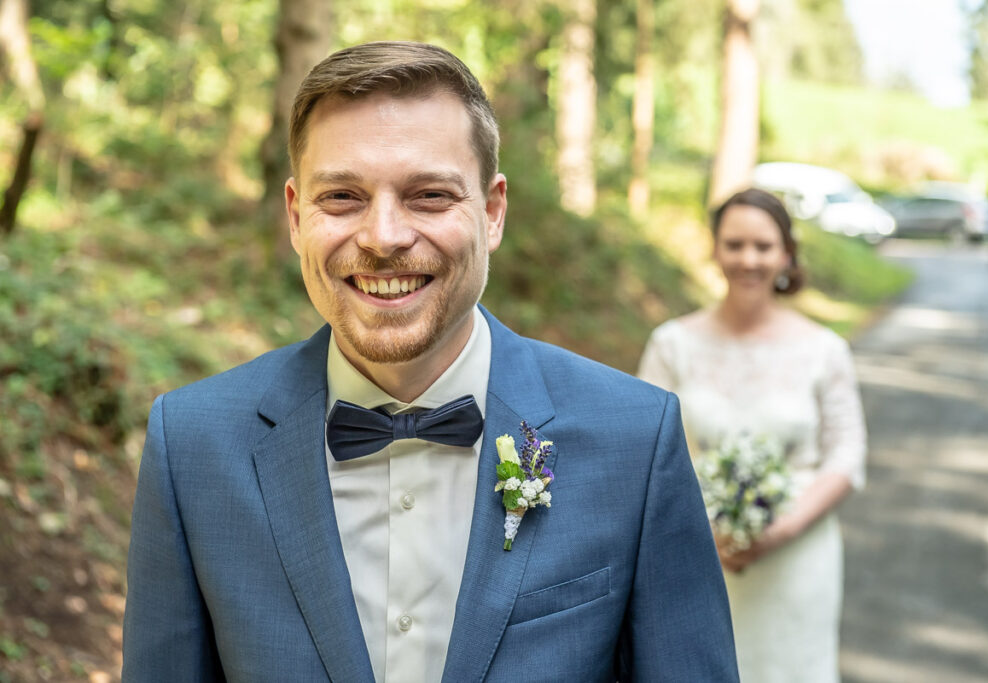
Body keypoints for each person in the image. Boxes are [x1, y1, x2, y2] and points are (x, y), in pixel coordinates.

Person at [122, 41, 738, 682]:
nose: (384, 236)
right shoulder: (191, 447)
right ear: (296, 216)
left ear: (493, 212)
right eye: (341, 197)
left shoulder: (634, 439)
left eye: (429, 196)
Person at [637, 187, 866, 683]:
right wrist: (706, 530)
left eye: (763, 246)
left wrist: (778, 531)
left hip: (798, 553)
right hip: (695, 550)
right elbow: (643, 451)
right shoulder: (672, 344)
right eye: (734, 244)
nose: (749, 259)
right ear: (715, 250)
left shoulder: (823, 349)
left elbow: (846, 455)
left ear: (786, 254)